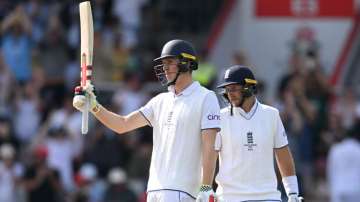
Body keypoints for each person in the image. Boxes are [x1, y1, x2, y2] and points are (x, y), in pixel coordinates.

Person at [73, 39, 220, 202]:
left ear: (186, 63)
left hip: (182, 190)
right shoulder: (160, 101)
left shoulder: (206, 97)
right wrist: (94, 106)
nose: (165, 68)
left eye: (170, 62)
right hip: (154, 190)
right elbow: (123, 125)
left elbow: (210, 145)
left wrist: (206, 186)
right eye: (163, 63)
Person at [215, 65, 303, 202]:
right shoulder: (219, 118)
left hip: (268, 197)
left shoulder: (271, 114)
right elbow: (208, 157)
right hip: (229, 197)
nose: (229, 93)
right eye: (227, 89)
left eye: (233, 88)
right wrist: (204, 189)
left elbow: (283, 154)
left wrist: (292, 193)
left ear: (248, 87)